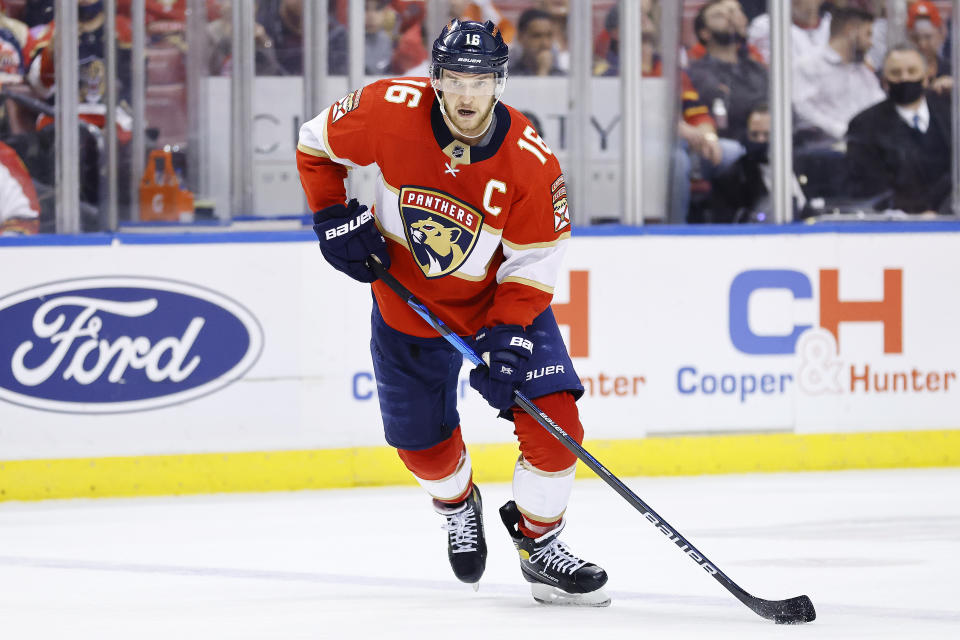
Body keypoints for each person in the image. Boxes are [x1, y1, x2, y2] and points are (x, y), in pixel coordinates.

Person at [296, 19, 609, 606]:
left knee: (557, 426)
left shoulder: (530, 162)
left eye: (482, 79)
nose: (468, 95)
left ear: (500, 82)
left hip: (496, 306)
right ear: (436, 78)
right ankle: (458, 504)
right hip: (404, 307)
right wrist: (330, 214)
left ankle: (540, 545)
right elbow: (316, 144)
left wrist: (511, 335)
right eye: (457, 78)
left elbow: (534, 259)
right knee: (423, 450)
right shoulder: (388, 109)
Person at [845, 43, 953, 214]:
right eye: (896, 73)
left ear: (926, 77)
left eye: (912, 71)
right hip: (897, 225)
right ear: (884, 81)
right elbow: (870, 187)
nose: (904, 78)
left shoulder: (951, 115)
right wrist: (917, 213)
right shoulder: (864, 125)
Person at [792, 7, 884, 145]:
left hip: (865, 146)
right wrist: (843, 130)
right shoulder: (808, 65)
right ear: (851, 30)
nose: (871, 43)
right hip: (823, 148)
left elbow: (880, 104)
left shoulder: (863, 71)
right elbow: (802, 110)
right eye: (868, 34)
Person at [710, 103, 809, 223]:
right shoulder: (732, 179)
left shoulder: (808, 166)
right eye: (754, 135)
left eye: (767, 135)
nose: (760, 140)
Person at [687, 0, 769, 143]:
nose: (730, 19)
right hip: (732, 143)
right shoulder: (697, 73)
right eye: (719, 16)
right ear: (704, 33)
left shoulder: (757, 67)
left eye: (732, 13)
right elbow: (727, 109)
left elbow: (784, 104)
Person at [906, 0, 952, 94]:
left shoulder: (950, 70)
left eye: (928, 37)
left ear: (941, 35)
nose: (922, 44)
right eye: (915, 38)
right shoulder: (902, 73)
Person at [509, 8, 563, 76]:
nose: (545, 43)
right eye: (537, 36)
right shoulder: (509, 77)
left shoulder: (564, 77)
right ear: (520, 37)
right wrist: (543, 71)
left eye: (549, 35)